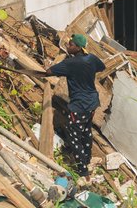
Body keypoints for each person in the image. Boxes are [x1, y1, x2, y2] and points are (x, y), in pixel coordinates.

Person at [46, 33, 106, 179]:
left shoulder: (70, 64)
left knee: (73, 136)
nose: (68, 45)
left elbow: (49, 72)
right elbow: (102, 67)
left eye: (71, 44)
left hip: (79, 105)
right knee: (86, 131)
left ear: (78, 48)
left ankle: (83, 170)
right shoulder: (91, 58)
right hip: (92, 102)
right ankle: (87, 158)